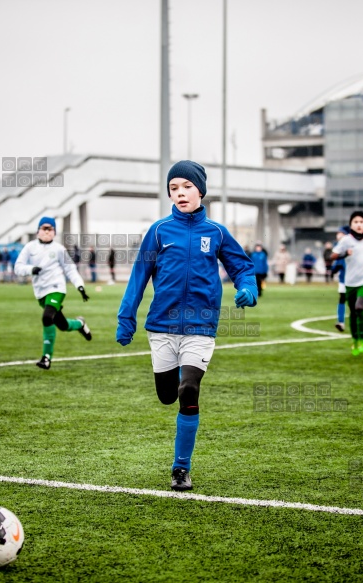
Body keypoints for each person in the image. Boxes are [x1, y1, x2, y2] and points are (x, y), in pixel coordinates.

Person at [116, 160, 257, 491]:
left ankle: (181, 469)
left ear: (201, 190)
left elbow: (242, 267)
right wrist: (126, 318)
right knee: (167, 396)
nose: (180, 193)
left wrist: (247, 287)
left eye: (186, 187)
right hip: (162, 327)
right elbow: (139, 277)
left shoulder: (217, 232)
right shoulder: (159, 231)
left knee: (189, 391)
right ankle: (173, 385)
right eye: (173, 188)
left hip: (201, 327)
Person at [14, 217, 93, 370]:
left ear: (54, 232)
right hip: (40, 292)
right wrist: (30, 269)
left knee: (46, 317)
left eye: (50, 229)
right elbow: (18, 267)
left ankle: (46, 358)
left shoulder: (59, 249)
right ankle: (80, 324)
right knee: (62, 325)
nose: (47, 231)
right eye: (44, 228)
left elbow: (70, 269)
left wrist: (80, 286)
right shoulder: (30, 247)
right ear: (38, 230)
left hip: (57, 288)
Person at [331, 210, 363, 356]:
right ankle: (355, 339)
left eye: (362, 222)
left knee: (360, 306)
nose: (359, 225)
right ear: (351, 225)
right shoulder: (346, 240)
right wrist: (344, 254)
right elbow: (332, 256)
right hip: (350, 281)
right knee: (353, 312)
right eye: (356, 222)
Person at [331, 225, 350, 331]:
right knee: (342, 298)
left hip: (354, 278)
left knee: (356, 300)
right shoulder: (337, 246)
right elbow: (337, 262)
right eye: (338, 233)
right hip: (343, 278)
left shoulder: (351, 246)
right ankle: (341, 322)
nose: (338, 235)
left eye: (341, 233)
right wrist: (334, 269)